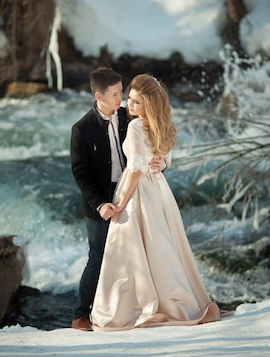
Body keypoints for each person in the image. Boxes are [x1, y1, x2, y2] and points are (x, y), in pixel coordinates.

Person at [90, 73, 221, 331]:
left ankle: (135, 305)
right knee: (161, 245)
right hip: (159, 190)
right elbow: (165, 159)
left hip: (138, 190)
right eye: (129, 99)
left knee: (132, 248)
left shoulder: (138, 126)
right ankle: (169, 298)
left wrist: (120, 203)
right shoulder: (162, 122)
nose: (130, 105)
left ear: (148, 104)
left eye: (136, 102)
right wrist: (162, 163)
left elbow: (136, 170)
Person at [69, 68, 163, 331]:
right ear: (98, 95)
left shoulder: (129, 116)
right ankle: (80, 315)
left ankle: (128, 309)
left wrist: (161, 162)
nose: (121, 98)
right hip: (99, 201)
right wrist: (100, 204)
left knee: (134, 253)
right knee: (98, 257)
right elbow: (81, 173)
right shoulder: (81, 129)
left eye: (121, 91)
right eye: (115, 94)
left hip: (132, 194)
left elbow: (155, 141)